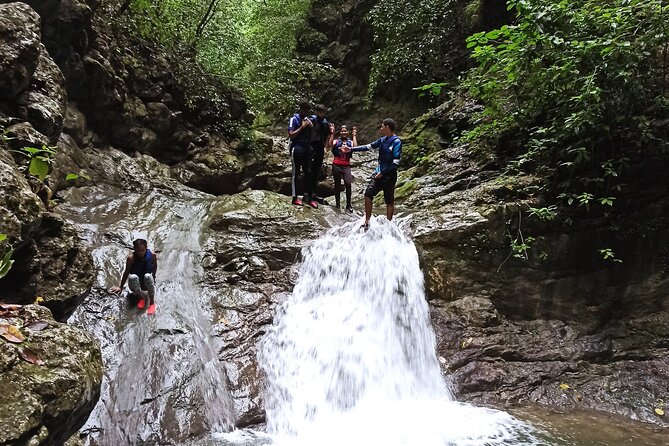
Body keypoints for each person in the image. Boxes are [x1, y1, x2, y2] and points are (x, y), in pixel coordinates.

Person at [349, 118, 402, 229]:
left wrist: (383, 173)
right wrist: (351, 149)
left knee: (389, 200)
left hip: (389, 174)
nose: (381, 128)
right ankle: (367, 221)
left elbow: (395, 163)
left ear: (387, 127)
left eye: (382, 126)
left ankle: (389, 225)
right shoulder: (382, 140)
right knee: (368, 194)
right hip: (378, 172)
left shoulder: (396, 142)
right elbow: (368, 147)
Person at [110, 236, 158, 315]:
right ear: (135, 249)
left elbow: (155, 266)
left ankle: (152, 303)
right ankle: (141, 297)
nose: (141, 253)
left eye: (143, 250)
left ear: (146, 248)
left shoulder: (152, 255)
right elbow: (126, 272)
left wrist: (154, 277)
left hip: (147, 282)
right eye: (138, 251)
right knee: (132, 277)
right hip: (137, 284)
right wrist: (120, 287)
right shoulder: (131, 258)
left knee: (148, 276)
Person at [288, 100, 318, 208]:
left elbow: (313, 137)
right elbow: (291, 135)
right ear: (300, 109)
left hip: (307, 149)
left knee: (309, 173)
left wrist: (311, 127)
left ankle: (309, 198)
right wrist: (302, 127)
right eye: (304, 109)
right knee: (296, 173)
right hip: (296, 149)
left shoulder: (308, 120)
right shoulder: (294, 119)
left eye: (308, 110)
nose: (306, 112)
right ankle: (295, 197)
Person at [327, 123, 358, 212]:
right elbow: (330, 144)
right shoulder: (336, 141)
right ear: (340, 132)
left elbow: (355, 147)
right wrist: (332, 133)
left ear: (348, 132)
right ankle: (337, 204)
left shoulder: (350, 142)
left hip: (346, 166)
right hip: (336, 165)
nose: (344, 132)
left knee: (348, 184)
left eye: (345, 131)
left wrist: (354, 136)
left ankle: (348, 205)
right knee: (337, 185)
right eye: (342, 131)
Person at [309, 104, 332, 204]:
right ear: (316, 111)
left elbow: (326, 135)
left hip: (319, 148)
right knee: (309, 170)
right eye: (320, 111)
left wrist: (325, 146)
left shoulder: (325, 123)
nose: (321, 113)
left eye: (323, 112)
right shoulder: (312, 120)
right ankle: (308, 192)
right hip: (311, 146)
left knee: (316, 170)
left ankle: (312, 192)